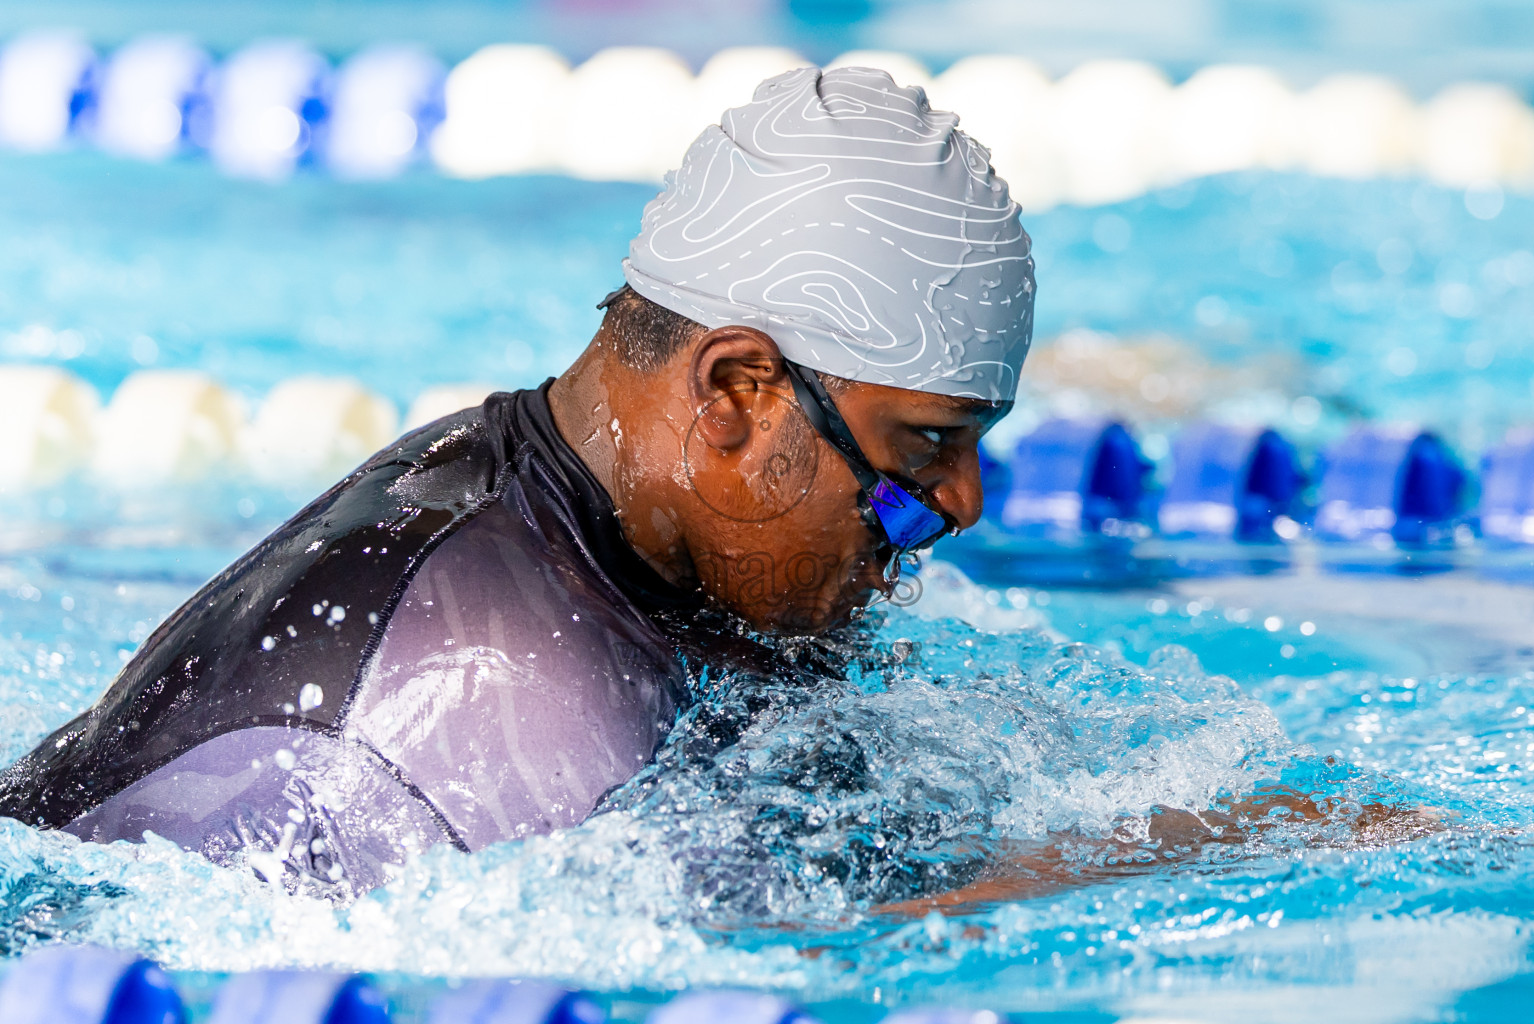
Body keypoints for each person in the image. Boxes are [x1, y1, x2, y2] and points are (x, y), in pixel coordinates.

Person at [0, 66, 1035, 894]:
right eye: (923, 447)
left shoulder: (597, 525)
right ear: (738, 390)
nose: (964, 501)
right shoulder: (498, 693)